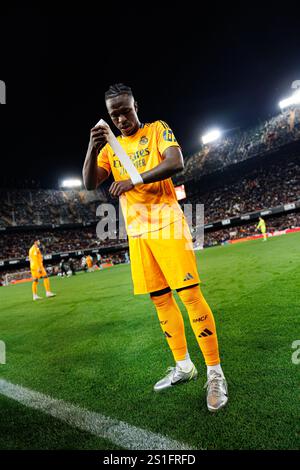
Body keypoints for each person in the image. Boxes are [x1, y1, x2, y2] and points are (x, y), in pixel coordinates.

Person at [82, 83, 228, 412]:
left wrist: (135, 179)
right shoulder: (110, 148)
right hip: (137, 233)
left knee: (189, 295)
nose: (120, 117)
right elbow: (90, 183)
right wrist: (92, 148)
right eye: (113, 113)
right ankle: (184, 366)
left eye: (125, 109)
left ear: (136, 105)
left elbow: (176, 163)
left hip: (168, 224)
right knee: (161, 301)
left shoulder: (157, 129)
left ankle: (215, 373)